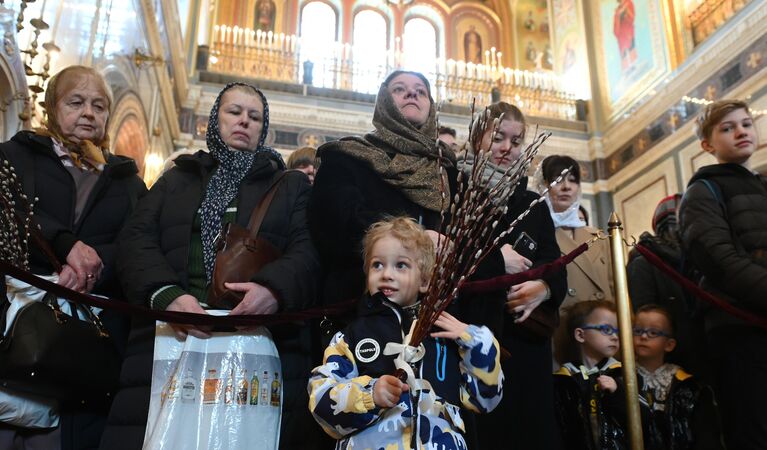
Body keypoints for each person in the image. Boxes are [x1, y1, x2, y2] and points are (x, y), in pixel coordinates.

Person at [100, 82, 319, 450]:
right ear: (214, 119)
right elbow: (136, 240)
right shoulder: (177, 179)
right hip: (173, 333)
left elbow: (308, 250)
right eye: (234, 112)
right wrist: (166, 295)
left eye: (255, 117)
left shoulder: (290, 186)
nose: (244, 122)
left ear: (263, 129)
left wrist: (273, 290)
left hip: (256, 338)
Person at [0, 65, 147, 450]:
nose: (88, 113)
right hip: (16, 309)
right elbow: (10, 208)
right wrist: (64, 245)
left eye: (99, 107)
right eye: (76, 102)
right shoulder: (17, 153)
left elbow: (136, 240)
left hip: (86, 331)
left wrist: (95, 264)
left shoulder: (126, 180)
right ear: (51, 106)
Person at [308, 217, 503, 449]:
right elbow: (321, 400)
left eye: (401, 265)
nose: (386, 274)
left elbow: (485, 399)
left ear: (425, 281)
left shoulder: (445, 334)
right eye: (377, 264)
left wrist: (476, 341)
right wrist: (370, 395)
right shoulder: (352, 336)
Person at [466, 102, 567, 450]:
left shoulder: (531, 203)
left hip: (527, 342)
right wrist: (497, 260)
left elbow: (555, 261)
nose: (508, 148)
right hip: (475, 334)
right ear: (477, 138)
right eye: (498, 138)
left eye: (517, 140)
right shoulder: (457, 191)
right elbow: (443, 256)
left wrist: (543, 287)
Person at [678, 99, 767, 450]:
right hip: (739, 330)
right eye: (727, 128)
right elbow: (720, 262)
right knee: (753, 430)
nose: (741, 131)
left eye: (746, 124)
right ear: (708, 145)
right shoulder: (702, 191)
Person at [627, 195, 702, 374]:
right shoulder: (644, 261)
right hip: (667, 355)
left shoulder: (696, 257)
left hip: (701, 348)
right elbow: (644, 311)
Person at [632, 305, 724, 450]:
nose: (643, 336)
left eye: (653, 332)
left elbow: (706, 434)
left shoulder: (688, 385)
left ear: (669, 345)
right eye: (637, 331)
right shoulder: (620, 377)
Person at [539, 155, 614, 313]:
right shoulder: (537, 236)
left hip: (607, 327)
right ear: (543, 185)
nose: (566, 187)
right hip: (563, 330)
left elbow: (618, 290)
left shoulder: (600, 238)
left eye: (573, 180)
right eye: (558, 180)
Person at [553, 300, 630, 450]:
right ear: (580, 335)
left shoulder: (624, 374)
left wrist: (618, 392)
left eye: (618, 331)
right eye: (607, 329)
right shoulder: (563, 379)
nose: (615, 337)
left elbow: (645, 419)